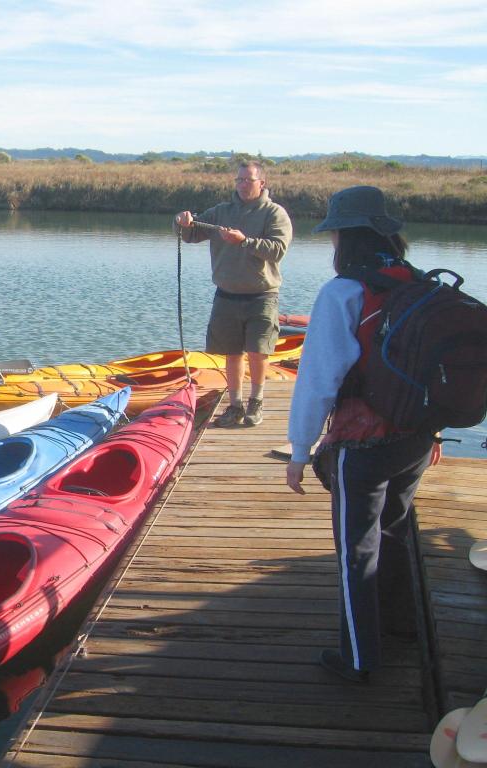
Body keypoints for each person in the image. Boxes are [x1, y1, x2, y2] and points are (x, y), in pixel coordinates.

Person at [285, 185, 437, 683]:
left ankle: (358, 658)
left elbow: (319, 378)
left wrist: (300, 449)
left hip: (363, 446)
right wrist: (432, 433)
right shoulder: (418, 283)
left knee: (356, 552)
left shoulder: (344, 292)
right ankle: (401, 626)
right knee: (394, 533)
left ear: (345, 239)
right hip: (415, 438)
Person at [174, 161, 293, 427]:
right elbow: (191, 234)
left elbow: (277, 250)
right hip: (227, 295)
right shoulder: (221, 212)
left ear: (261, 183)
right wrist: (182, 221)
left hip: (262, 295)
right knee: (232, 352)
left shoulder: (274, 214)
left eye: (247, 180)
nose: (241, 185)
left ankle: (256, 402)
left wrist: (245, 241)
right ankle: (235, 404)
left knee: (258, 351)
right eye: (238, 180)